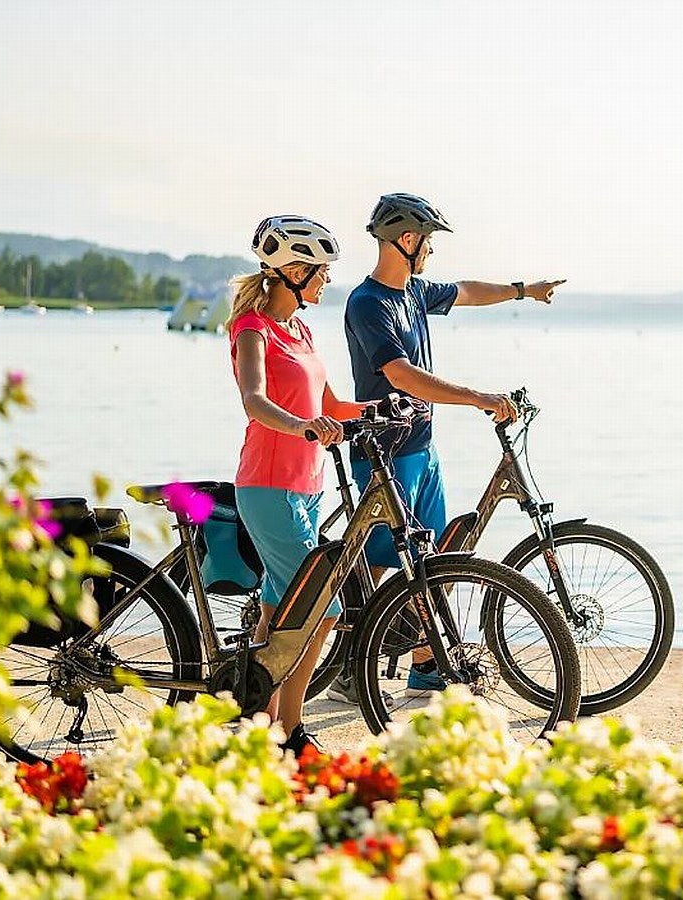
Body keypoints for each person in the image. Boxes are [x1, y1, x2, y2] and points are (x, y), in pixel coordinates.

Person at [327, 192, 564, 703]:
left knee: (431, 561)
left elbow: (467, 292)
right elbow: (401, 375)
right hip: (384, 454)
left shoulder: (413, 291)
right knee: (374, 564)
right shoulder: (367, 303)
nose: (432, 251)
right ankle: (349, 669)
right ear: (408, 240)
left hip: (422, 448)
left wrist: (523, 291)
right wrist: (477, 397)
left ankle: (424, 666)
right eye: (429, 241)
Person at [228, 214, 370, 755]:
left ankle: (261, 726)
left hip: (307, 486)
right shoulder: (252, 329)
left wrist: (384, 408)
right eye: (321, 270)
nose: (327, 279)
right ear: (292, 271)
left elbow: (330, 405)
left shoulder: (301, 331)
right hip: (268, 486)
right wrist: (303, 426)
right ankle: (291, 729)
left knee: (277, 611)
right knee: (321, 609)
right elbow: (255, 401)